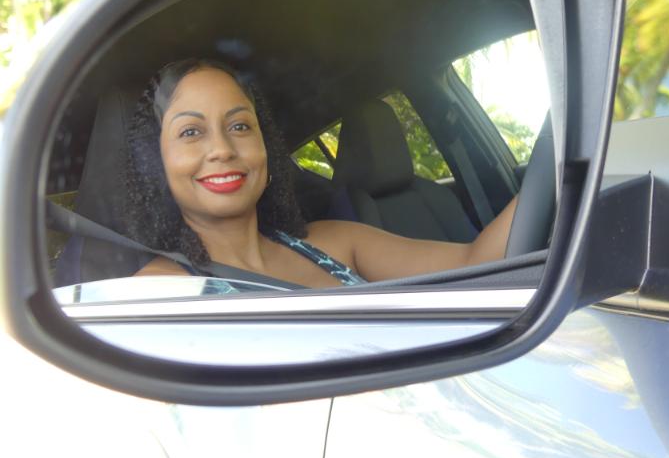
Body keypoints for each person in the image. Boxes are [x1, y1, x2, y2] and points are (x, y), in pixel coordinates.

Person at [126, 58, 518, 288]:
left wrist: (553, 163)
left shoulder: (337, 241)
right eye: (190, 132)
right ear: (156, 163)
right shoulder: (161, 290)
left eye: (240, 126)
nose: (223, 149)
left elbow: (475, 265)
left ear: (266, 148)